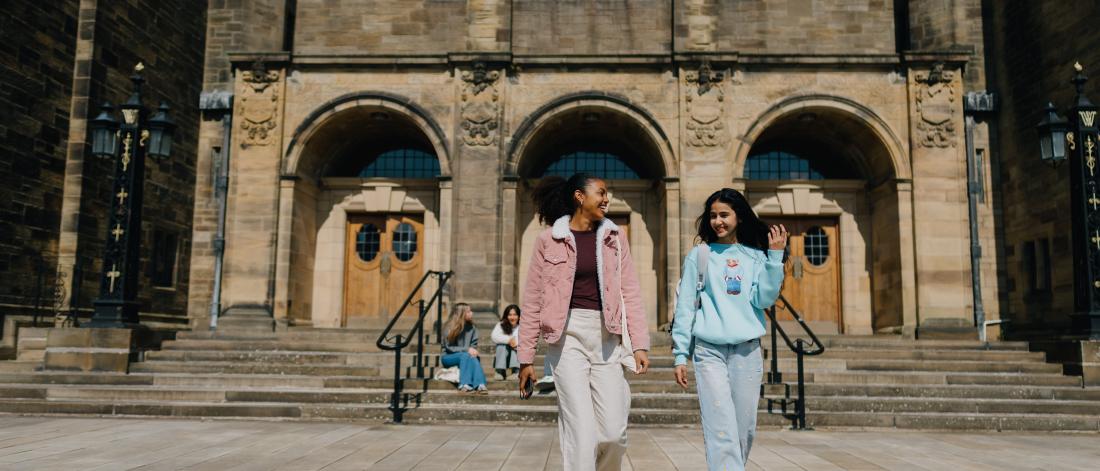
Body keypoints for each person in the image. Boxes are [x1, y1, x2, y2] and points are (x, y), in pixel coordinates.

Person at [517, 172, 651, 471]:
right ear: (580, 196)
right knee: (580, 430)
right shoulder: (548, 240)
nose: (607, 199)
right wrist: (525, 358)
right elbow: (533, 300)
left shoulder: (616, 238)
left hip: (607, 336)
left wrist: (640, 343)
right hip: (567, 339)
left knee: (613, 433)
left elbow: (630, 291)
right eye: (601, 192)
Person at [671, 188, 787, 471]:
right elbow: (686, 306)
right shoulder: (700, 255)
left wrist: (775, 258)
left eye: (724, 214)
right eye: (713, 216)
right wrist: (679, 354)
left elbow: (764, 300)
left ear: (739, 216)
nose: (717, 221)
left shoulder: (755, 257)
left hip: (746, 350)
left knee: (743, 428)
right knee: (719, 425)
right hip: (708, 350)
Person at [441, 302, 488, 394]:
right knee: (465, 355)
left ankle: (480, 384)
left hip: (465, 357)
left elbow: (473, 347)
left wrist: (472, 351)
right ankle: (465, 384)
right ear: (461, 314)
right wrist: (467, 349)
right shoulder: (449, 327)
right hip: (448, 357)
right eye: (469, 311)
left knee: (472, 356)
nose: (472, 313)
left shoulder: (472, 328)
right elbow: (449, 347)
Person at [491, 304, 522, 380]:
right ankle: (500, 371)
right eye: (510, 315)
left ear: (519, 316)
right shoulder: (501, 324)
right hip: (503, 357)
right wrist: (509, 340)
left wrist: (515, 343)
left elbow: (525, 340)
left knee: (517, 347)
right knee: (501, 345)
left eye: (515, 315)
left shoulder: (522, 326)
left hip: (517, 358)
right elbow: (494, 336)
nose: (512, 317)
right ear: (506, 316)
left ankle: (516, 372)